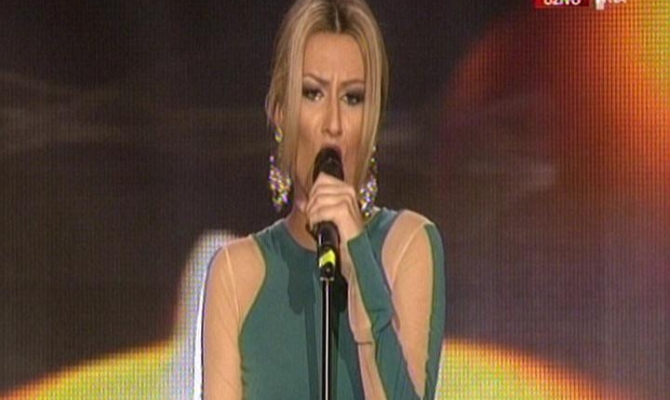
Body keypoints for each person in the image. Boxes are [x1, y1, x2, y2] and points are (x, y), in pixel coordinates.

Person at [202, 0, 446, 398]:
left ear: (372, 121)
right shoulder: (235, 273)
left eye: (353, 98)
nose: (333, 123)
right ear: (280, 111)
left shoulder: (408, 246)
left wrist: (358, 258)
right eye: (313, 93)